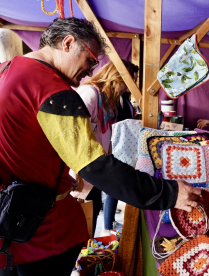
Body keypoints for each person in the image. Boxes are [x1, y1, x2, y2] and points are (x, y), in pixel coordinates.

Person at [0, 17, 200, 276]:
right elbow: (94, 164)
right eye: (91, 60)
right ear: (68, 43)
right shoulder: (50, 89)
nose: (91, 71)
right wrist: (168, 193)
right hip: (43, 231)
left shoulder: (6, 69)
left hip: (10, 221)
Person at [72, 59, 136, 237]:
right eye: (127, 83)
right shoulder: (89, 94)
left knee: (91, 216)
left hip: (97, 168)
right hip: (83, 168)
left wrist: (109, 161)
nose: (128, 88)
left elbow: (106, 136)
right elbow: (74, 134)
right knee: (81, 223)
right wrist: (75, 170)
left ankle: (87, 256)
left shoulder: (109, 102)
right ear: (116, 77)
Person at [102, 63, 139, 235]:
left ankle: (110, 223)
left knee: (116, 187)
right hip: (116, 147)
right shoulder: (112, 98)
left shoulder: (124, 98)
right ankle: (108, 225)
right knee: (113, 187)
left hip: (122, 147)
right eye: (133, 78)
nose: (134, 83)